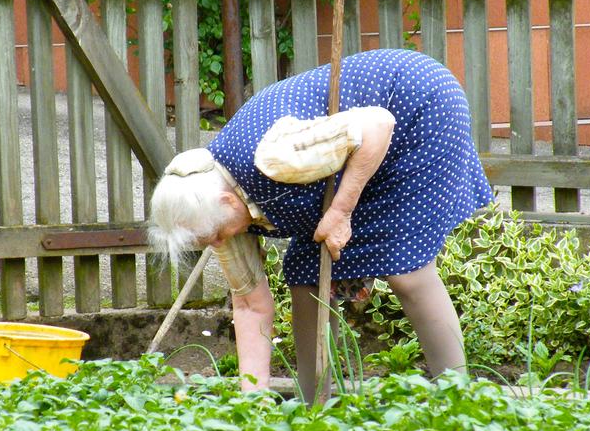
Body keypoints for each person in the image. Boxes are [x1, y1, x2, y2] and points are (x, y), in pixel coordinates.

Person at [149, 48, 492, 401]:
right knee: (306, 276)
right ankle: (316, 410)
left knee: (407, 270)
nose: (218, 242)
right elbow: (251, 304)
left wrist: (341, 212)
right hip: (367, 149)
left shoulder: (276, 155)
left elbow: (378, 126)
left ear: (226, 203)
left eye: (217, 235)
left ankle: (458, 402)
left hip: (418, 107)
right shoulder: (219, 207)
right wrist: (253, 403)